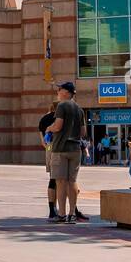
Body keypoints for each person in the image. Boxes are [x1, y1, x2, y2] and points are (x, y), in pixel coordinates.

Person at [44, 81, 86, 224]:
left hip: (60, 149)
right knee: (72, 181)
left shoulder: (62, 105)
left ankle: (61, 214)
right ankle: (72, 214)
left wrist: (49, 128)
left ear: (67, 93)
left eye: (60, 89)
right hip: (75, 149)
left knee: (60, 182)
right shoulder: (79, 109)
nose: (58, 91)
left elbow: (58, 126)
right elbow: (83, 132)